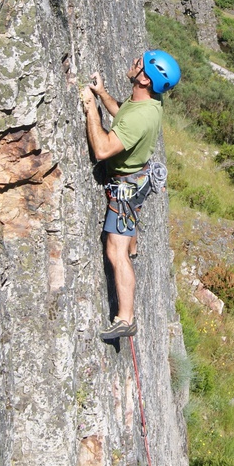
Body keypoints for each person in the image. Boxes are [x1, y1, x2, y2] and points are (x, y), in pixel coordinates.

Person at [82, 50, 181, 341]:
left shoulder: (141, 116)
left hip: (125, 188)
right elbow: (123, 115)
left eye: (139, 63)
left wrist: (90, 109)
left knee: (116, 251)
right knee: (125, 243)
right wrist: (102, 94)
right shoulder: (149, 102)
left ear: (145, 79)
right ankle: (133, 244)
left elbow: (103, 149)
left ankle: (126, 318)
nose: (133, 62)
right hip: (137, 179)